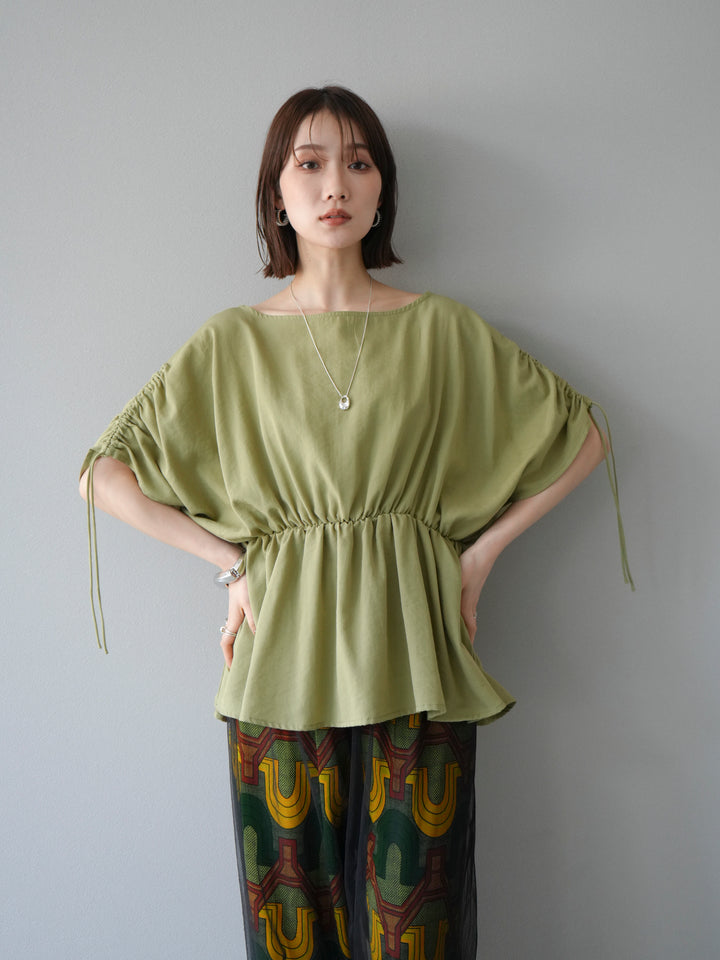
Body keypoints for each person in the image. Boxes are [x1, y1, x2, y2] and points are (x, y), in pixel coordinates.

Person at [79, 86, 632, 960]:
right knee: (291, 935)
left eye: (359, 163)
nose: (335, 183)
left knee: (420, 934)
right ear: (277, 194)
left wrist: (480, 557)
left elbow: (583, 436)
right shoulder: (230, 344)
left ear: (382, 192)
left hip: (417, 663)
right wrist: (231, 565)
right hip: (279, 670)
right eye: (310, 164)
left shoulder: (441, 330)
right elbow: (103, 474)